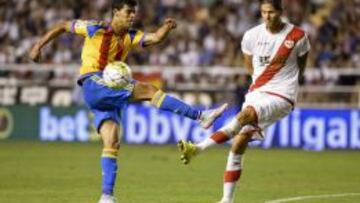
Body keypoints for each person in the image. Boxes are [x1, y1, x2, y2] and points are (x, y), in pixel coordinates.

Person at [29, 0, 227, 202]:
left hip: (106, 94)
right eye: (128, 12)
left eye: (134, 12)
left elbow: (156, 38)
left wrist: (166, 27)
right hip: (93, 83)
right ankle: (200, 116)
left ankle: (107, 196)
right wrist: (38, 45)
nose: (132, 16)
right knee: (149, 90)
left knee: (112, 142)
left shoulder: (130, 36)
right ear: (116, 12)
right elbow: (64, 25)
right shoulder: (95, 28)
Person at [177, 0, 311, 202]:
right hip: (257, 92)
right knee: (238, 143)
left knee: (245, 115)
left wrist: (287, 83)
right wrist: (260, 84)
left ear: (281, 11)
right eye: (264, 12)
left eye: (272, 12)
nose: (267, 16)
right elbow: (249, 65)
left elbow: (302, 64)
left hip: (283, 95)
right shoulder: (251, 36)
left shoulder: (298, 36)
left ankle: (197, 148)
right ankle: (226, 200)